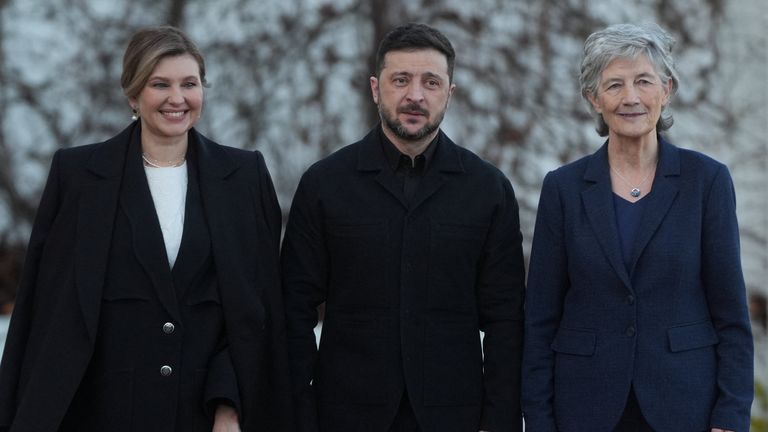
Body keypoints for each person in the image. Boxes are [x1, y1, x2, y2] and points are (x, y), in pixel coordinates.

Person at [0, 26, 294, 431]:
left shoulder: (245, 177)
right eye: (161, 84)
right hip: (98, 413)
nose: (177, 98)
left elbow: (257, 308)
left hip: (204, 415)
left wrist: (230, 405)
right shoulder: (78, 177)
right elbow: (47, 307)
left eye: (189, 83)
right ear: (133, 94)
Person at [281, 22, 526, 432]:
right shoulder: (326, 183)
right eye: (401, 80)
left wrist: (498, 420)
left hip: (455, 417)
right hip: (342, 416)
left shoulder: (489, 190)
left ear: (449, 95)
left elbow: (506, 319)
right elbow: (293, 307)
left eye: (431, 82)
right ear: (377, 89)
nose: (415, 95)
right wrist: (298, 412)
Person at [522, 22, 753, 432]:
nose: (631, 98)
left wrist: (730, 417)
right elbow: (541, 318)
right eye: (614, 85)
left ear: (666, 90)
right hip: (584, 407)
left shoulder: (707, 181)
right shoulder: (563, 188)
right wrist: (539, 420)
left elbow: (731, 315)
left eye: (643, 81)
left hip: (685, 406)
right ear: (594, 99)